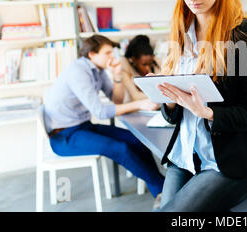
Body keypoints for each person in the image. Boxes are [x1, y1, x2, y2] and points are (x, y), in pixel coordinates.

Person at [147, 0, 247, 212]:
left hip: (226, 164)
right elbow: (173, 116)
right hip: (186, 157)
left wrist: (208, 112)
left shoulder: (245, 35)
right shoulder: (181, 29)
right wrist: (169, 101)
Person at [44, 34, 164, 201]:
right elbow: (101, 112)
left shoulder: (97, 70)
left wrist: (117, 76)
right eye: (107, 53)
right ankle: (164, 191)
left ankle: (161, 190)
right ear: (92, 54)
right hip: (64, 136)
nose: (112, 57)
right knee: (121, 149)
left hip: (83, 126)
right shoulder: (78, 71)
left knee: (136, 140)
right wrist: (139, 104)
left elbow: (116, 100)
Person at [120, 35, 160, 110]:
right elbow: (135, 96)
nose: (148, 68)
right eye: (144, 64)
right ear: (133, 59)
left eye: (150, 63)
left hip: (153, 107)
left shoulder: (156, 63)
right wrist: (161, 95)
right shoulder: (124, 66)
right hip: (133, 110)